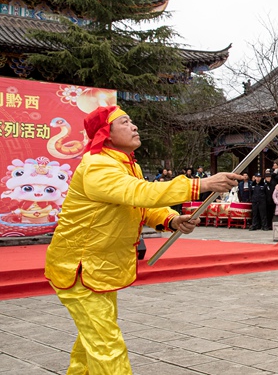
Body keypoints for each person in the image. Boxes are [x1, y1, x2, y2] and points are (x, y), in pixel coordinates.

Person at [44, 106, 240, 375]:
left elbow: (139, 206)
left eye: (132, 121)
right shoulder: (97, 165)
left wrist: (171, 220)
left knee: (93, 337)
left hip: (99, 267)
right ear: (107, 134)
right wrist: (200, 185)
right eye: (125, 122)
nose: (134, 126)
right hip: (79, 267)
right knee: (106, 345)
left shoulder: (126, 164)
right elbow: (139, 193)